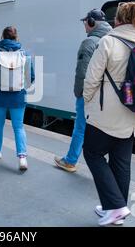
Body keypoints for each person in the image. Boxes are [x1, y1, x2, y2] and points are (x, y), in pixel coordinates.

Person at [83, 2, 135, 226]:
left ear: (118, 19)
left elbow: (92, 78)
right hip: (134, 114)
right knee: (121, 163)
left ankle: (117, 206)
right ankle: (115, 210)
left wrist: (86, 101)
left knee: (92, 154)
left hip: (106, 115)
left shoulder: (108, 42)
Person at [54, 9, 112, 172]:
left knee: (80, 128)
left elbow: (82, 72)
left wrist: (79, 93)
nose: (84, 25)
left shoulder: (90, 42)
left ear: (92, 22)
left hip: (89, 94)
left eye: (85, 22)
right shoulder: (112, 39)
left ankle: (70, 161)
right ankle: (107, 164)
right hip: (108, 95)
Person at [0, 26, 34, 171]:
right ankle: (22, 158)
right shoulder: (24, 54)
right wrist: (21, 87)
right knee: (18, 127)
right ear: (16, 37)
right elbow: (31, 77)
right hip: (18, 96)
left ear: (3, 36)